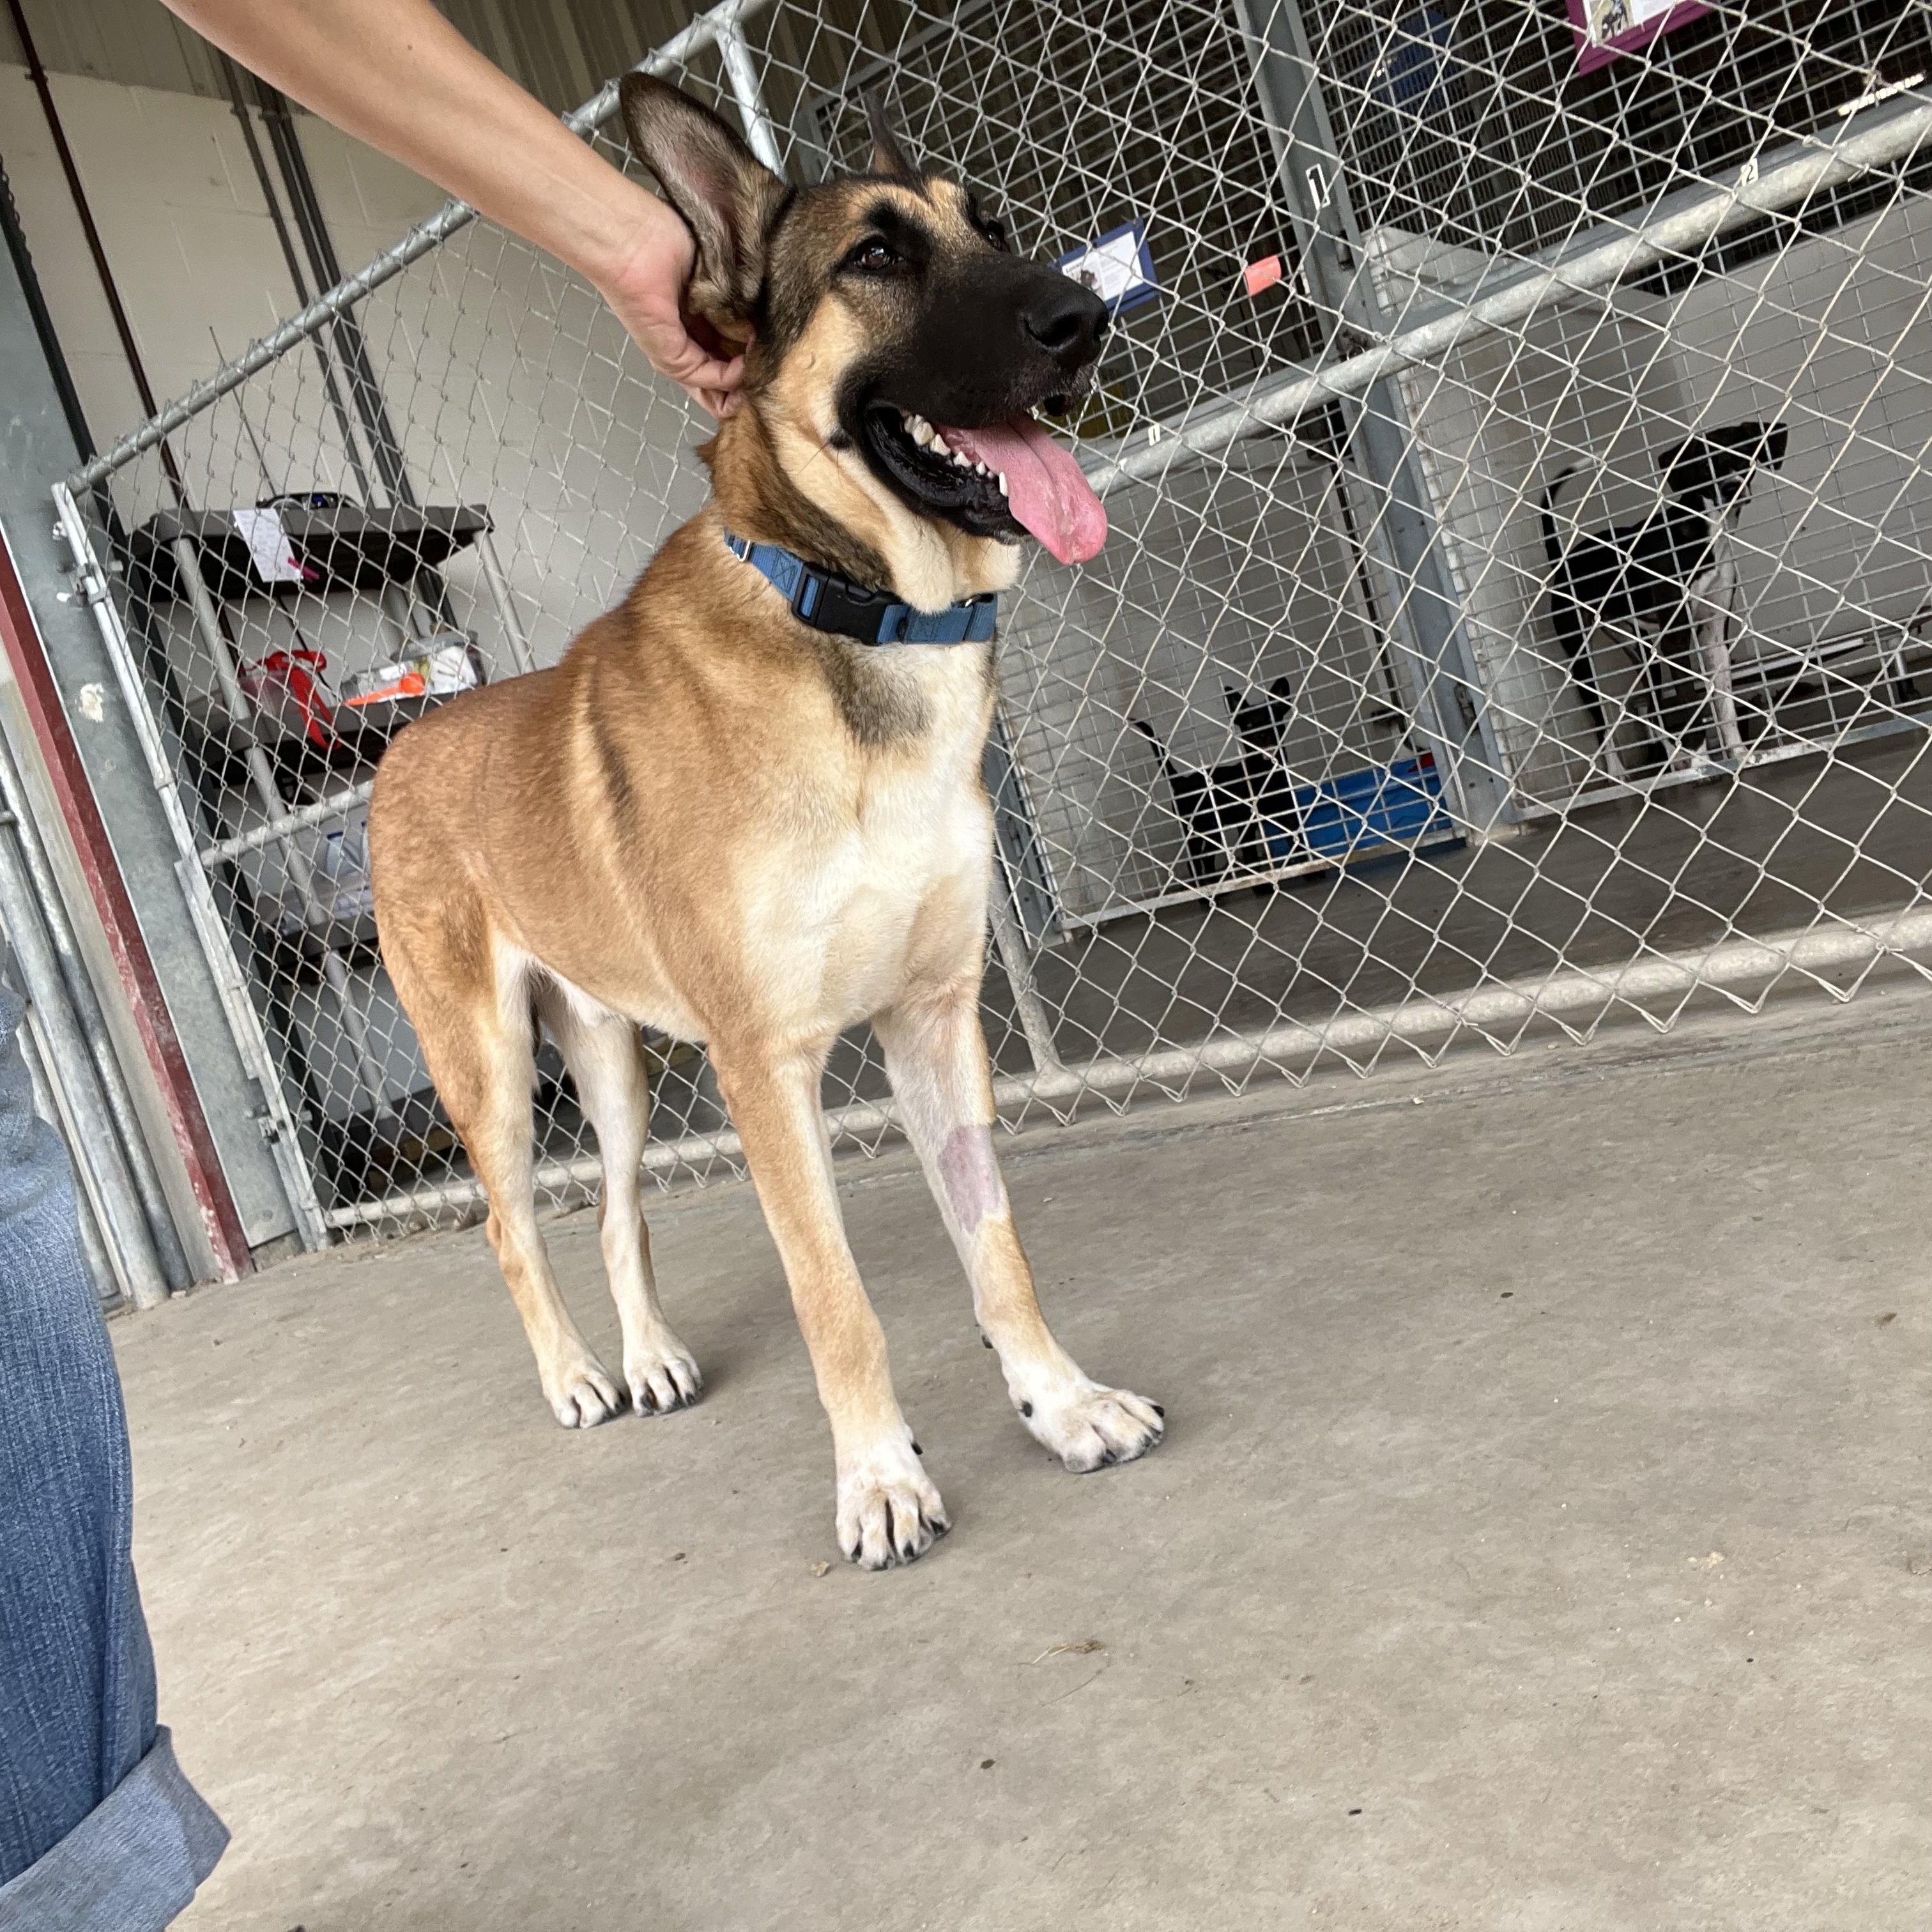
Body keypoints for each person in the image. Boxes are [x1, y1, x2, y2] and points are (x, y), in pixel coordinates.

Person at [0, 6, 727, 1922]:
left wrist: (616, 234)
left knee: (626, 1096)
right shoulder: (432, 770)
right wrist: (614, 225)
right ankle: (545, 1313)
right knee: (505, 1118)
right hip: (443, 829)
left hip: (519, 818)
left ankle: (634, 1308)